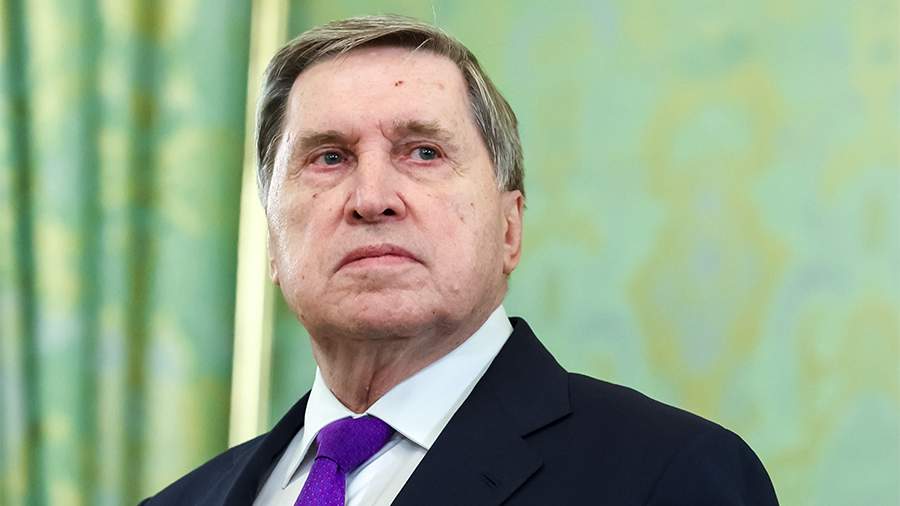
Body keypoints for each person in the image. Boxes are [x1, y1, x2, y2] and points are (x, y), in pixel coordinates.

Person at [143, 14, 778, 505]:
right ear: (273, 244)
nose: (371, 198)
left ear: (509, 228)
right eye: (329, 158)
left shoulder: (670, 475)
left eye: (424, 152)